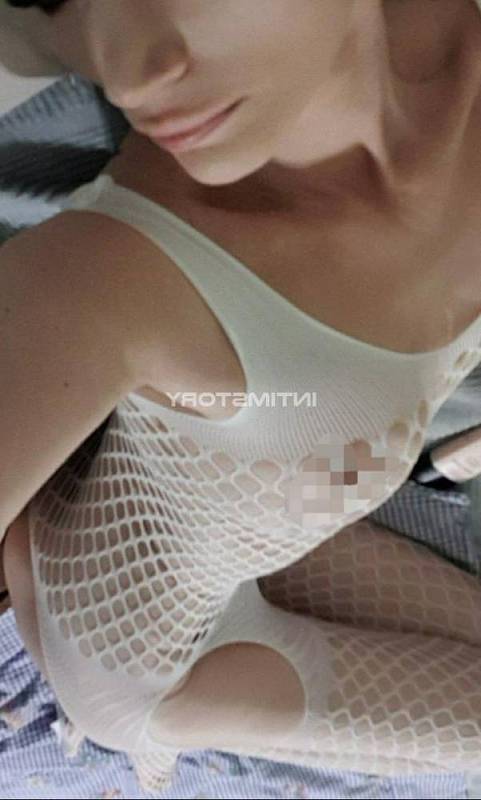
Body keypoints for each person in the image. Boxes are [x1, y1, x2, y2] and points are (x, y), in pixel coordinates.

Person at [1, 0, 481, 791]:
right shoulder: (102, 278)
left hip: (235, 526)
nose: (128, 76)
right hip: (152, 666)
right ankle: (146, 724)